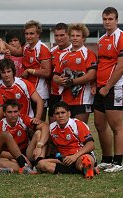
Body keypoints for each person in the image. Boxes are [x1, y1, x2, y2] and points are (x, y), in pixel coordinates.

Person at [93, 7, 123, 172]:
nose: (107, 22)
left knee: (116, 126)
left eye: (110, 19)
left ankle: (118, 162)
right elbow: (101, 64)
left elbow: (121, 67)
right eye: (105, 19)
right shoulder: (102, 39)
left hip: (114, 87)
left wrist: (108, 87)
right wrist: (96, 85)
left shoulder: (121, 37)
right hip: (100, 87)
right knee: (99, 124)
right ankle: (107, 159)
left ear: (116, 20)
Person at [3, 20, 51, 121]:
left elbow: (47, 72)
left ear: (38, 34)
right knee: (26, 121)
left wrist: (30, 71)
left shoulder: (42, 49)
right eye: (26, 34)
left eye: (31, 33)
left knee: (38, 122)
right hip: (27, 89)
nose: (28, 36)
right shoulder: (26, 47)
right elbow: (16, 52)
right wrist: (2, 42)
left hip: (40, 90)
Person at [37, 101, 97, 179]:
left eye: (63, 112)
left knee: (85, 160)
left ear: (69, 114)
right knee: (41, 164)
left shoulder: (77, 124)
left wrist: (74, 157)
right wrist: (39, 148)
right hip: (64, 159)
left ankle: (85, 167)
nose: (60, 116)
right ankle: (83, 170)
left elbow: (91, 145)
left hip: (79, 155)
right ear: (54, 116)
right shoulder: (52, 128)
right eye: (57, 113)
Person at [53, 23, 97, 123]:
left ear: (83, 38)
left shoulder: (88, 53)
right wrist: (59, 80)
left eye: (78, 36)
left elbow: (92, 75)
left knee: (80, 129)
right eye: (72, 35)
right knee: (67, 130)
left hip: (82, 99)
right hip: (65, 99)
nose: (75, 38)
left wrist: (72, 81)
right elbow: (55, 75)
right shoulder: (63, 55)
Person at [0, 99, 49, 172]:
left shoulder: (23, 119)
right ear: (4, 113)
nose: (13, 115)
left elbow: (45, 127)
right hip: (11, 156)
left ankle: (39, 162)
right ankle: (28, 168)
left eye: (15, 112)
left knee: (39, 133)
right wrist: (19, 157)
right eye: (9, 112)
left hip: (27, 152)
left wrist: (39, 146)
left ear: (19, 112)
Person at [48, 23, 72, 123]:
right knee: (53, 126)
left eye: (62, 35)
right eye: (56, 35)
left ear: (68, 35)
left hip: (70, 94)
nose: (59, 38)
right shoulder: (51, 52)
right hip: (54, 94)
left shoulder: (74, 50)